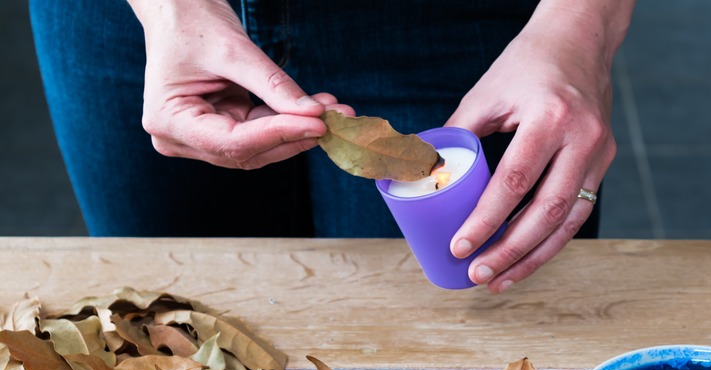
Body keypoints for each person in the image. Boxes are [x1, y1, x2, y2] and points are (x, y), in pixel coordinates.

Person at [29, 0, 635, 292]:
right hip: (132, 18)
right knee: (180, 320)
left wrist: (580, 24)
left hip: (460, 22)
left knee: (481, 324)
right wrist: (170, 11)